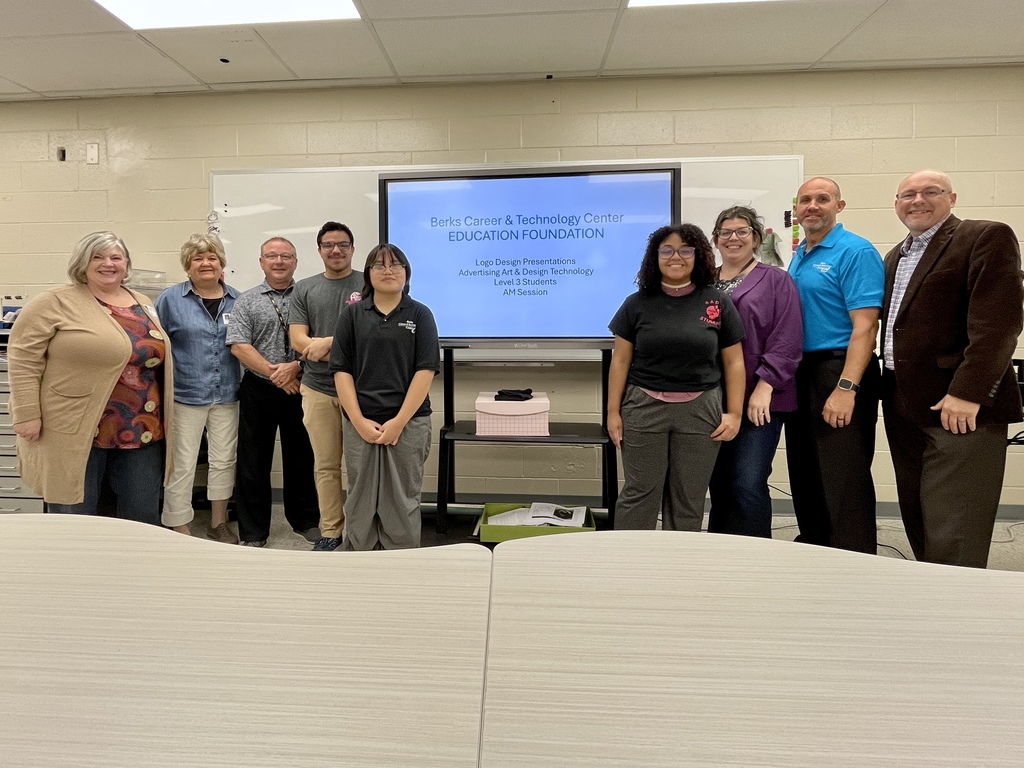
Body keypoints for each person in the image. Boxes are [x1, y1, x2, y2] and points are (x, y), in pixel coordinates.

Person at [881, 169, 1024, 568]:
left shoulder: (984, 236)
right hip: (905, 405)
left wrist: (968, 393)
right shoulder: (897, 255)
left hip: (960, 407)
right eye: (907, 194)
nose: (917, 200)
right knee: (920, 516)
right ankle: (933, 597)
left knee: (955, 525)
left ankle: (960, 610)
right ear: (896, 203)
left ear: (952, 198)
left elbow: (999, 325)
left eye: (930, 192)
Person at [8, 231, 175, 523]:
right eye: (97, 256)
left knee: (141, 513)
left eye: (115, 257)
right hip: (76, 426)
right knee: (75, 514)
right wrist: (26, 413)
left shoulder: (141, 301)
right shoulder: (54, 301)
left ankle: (132, 566)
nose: (107, 263)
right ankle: (75, 567)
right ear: (82, 263)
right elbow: (23, 357)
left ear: (126, 264)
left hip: (141, 426)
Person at [607, 223, 746, 532]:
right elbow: (621, 360)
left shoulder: (717, 302)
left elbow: (734, 362)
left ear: (698, 256)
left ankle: (679, 567)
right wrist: (613, 412)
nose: (676, 257)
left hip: (701, 410)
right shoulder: (636, 303)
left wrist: (734, 413)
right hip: (642, 408)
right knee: (639, 493)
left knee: (688, 497)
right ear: (654, 257)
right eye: (666, 250)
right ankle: (626, 563)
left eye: (685, 250)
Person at [786, 177, 884, 554]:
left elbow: (865, 326)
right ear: (796, 210)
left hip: (839, 368)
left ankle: (853, 557)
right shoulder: (800, 253)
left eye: (822, 199)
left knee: (842, 476)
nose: (812, 206)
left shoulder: (854, 251)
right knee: (806, 470)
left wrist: (846, 388)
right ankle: (815, 548)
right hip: (803, 370)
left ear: (839, 206)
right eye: (805, 200)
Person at [330, 244, 439, 551]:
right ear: (368, 274)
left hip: (409, 423)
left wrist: (399, 423)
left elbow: (426, 370)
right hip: (360, 422)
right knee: (360, 495)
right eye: (379, 265)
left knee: (402, 497)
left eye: (395, 266)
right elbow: (341, 371)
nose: (388, 271)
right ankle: (359, 555)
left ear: (406, 273)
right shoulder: (351, 315)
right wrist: (358, 421)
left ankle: (401, 557)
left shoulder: (420, 314)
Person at [707, 206, 803, 538]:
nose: (733, 238)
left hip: (758, 399)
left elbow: (787, 337)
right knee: (718, 484)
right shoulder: (704, 283)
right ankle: (721, 554)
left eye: (742, 231)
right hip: (712, 399)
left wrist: (765, 386)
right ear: (716, 240)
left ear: (756, 238)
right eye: (725, 232)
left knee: (747, 482)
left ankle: (758, 558)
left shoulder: (776, 279)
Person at [226, 237, 321, 547]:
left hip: (303, 384)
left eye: (286, 256)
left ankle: (305, 521)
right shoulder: (246, 300)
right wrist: (276, 374)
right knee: (252, 461)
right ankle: (253, 532)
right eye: (272, 256)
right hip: (259, 388)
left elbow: (321, 341)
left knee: (302, 458)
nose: (279, 261)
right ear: (261, 262)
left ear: (295, 262)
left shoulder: (310, 296)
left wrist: (296, 369)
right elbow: (239, 345)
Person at [155, 234, 241, 542]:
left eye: (212, 258)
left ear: (221, 264)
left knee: (223, 460)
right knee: (183, 462)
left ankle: (219, 522)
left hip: (228, 395)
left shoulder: (237, 299)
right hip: (185, 396)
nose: (206, 263)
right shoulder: (169, 300)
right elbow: (157, 347)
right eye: (198, 258)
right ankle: (178, 524)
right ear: (188, 266)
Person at [289, 222, 364, 551]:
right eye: (329, 245)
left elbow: (374, 334)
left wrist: (328, 343)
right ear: (319, 250)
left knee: (361, 466)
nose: (336, 250)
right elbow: (298, 340)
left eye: (343, 244)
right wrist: (316, 346)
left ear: (352, 248)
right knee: (326, 465)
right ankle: (332, 532)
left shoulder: (368, 283)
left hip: (363, 390)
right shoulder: (304, 288)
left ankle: (361, 529)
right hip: (318, 388)